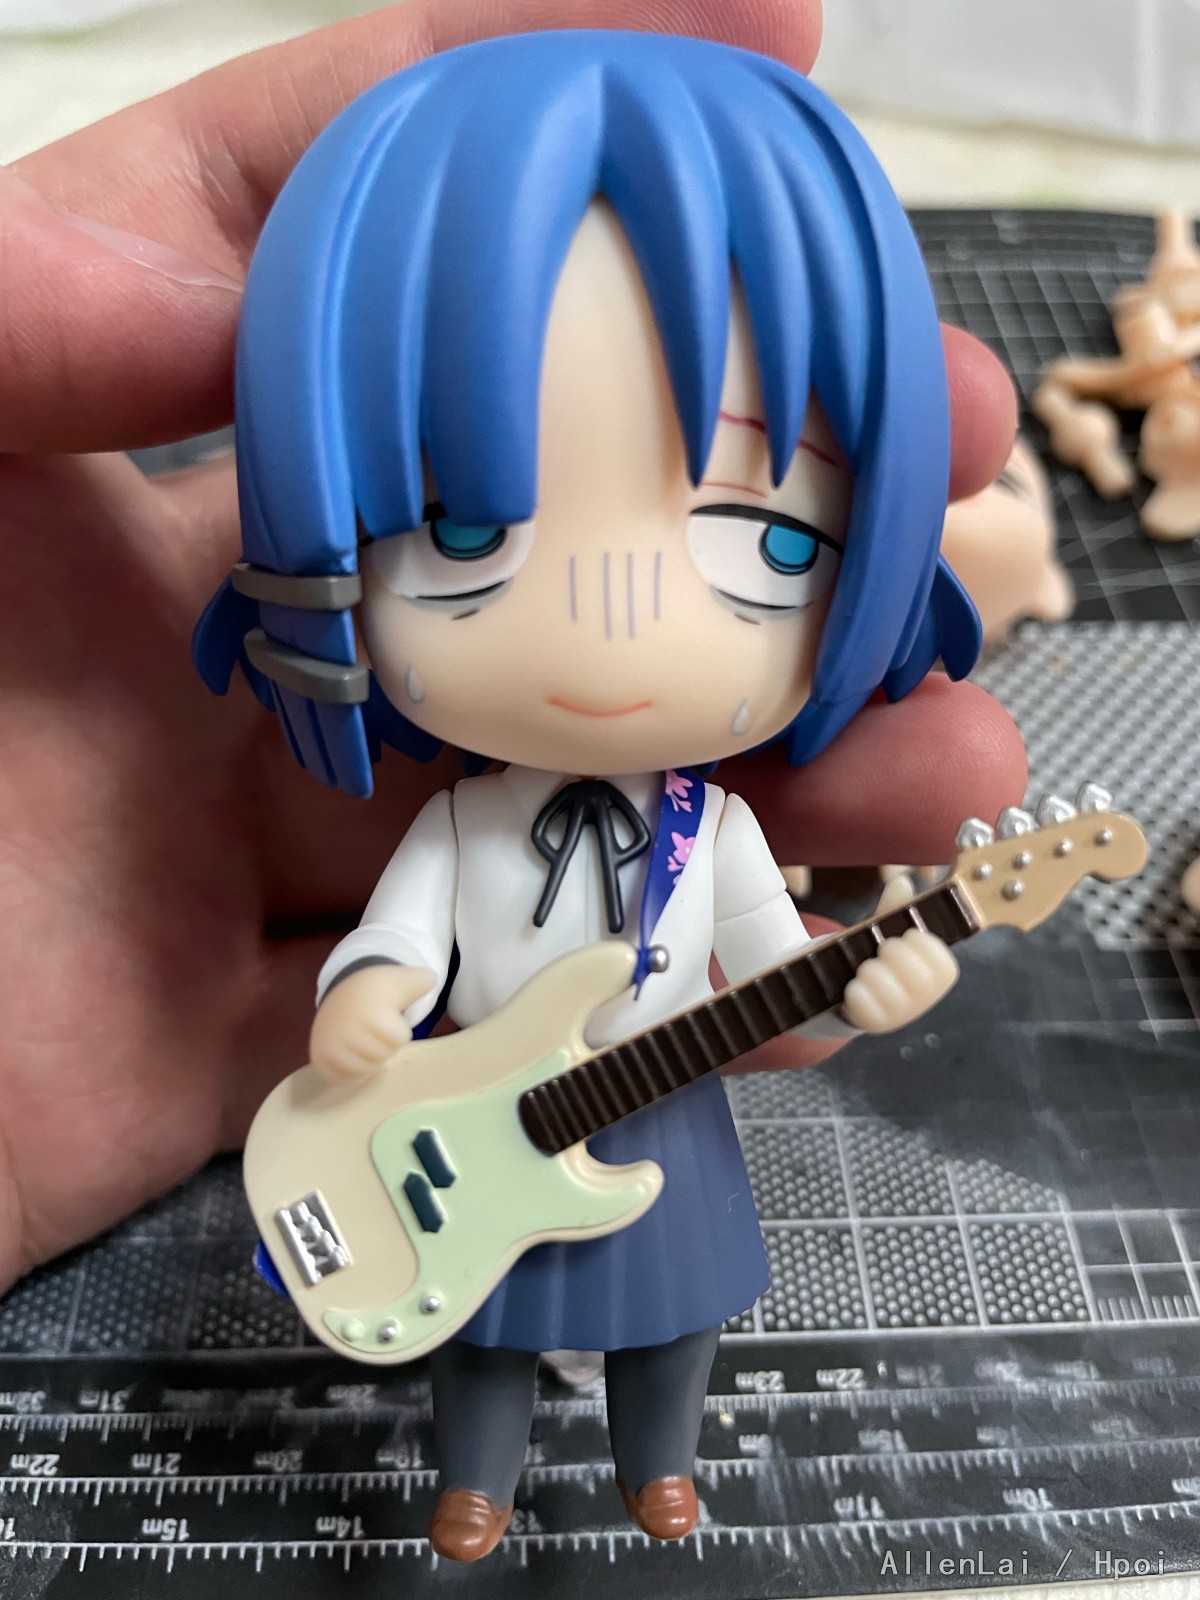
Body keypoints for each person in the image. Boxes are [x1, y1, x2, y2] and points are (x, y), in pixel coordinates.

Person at [0, 0, 1022, 1514]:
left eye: (770, 538)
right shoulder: (464, 828)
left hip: (663, 1111)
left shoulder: (719, 834)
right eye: (467, 529)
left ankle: (659, 1468)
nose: (613, 627)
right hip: (472, 1114)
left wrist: (867, 982)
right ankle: (473, 1484)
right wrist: (366, 998)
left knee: (678, 1313)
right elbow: (401, 945)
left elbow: (765, 973)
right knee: (478, 1326)